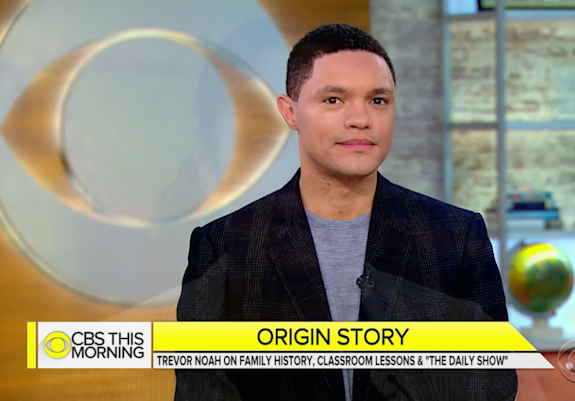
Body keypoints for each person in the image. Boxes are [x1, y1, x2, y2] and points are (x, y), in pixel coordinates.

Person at [175, 23, 518, 401]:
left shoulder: (456, 236)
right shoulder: (224, 245)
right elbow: (202, 392)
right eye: (334, 100)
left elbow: (489, 387)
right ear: (290, 112)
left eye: (378, 100)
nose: (361, 119)